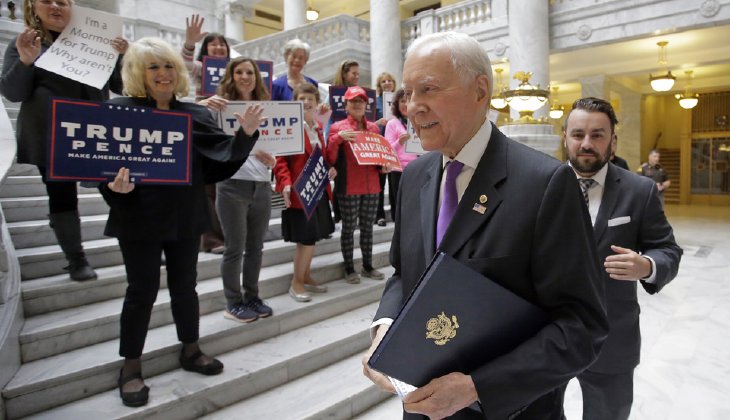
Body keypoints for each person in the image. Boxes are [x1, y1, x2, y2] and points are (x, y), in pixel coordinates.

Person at [361, 32, 608, 420]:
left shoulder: (545, 184)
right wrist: (385, 327)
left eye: (428, 89)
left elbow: (582, 327)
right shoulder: (414, 177)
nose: (412, 107)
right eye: (408, 93)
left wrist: (478, 387)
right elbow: (404, 273)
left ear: (480, 91)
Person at [99, 37, 261, 407]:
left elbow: (219, 163)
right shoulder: (118, 110)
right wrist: (113, 187)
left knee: (185, 287)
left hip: (184, 215)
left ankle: (191, 349)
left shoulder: (195, 114)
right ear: (137, 73)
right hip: (137, 216)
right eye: (153, 67)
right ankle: (131, 367)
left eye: (169, 65)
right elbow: (100, 164)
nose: (163, 73)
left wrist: (246, 135)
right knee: (140, 291)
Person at [562, 97, 682, 420]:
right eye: (578, 134)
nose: (586, 144)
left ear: (613, 141)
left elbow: (667, 249)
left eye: (597, 135)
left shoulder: (639, 191)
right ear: (565, 138)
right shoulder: (540, 185)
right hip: (547, 336)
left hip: (612, 337)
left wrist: (647, 266)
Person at [0, 0, 128, 281]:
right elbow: (13, 93)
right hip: (50, 134)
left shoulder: (98, 43)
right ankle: (76, 259)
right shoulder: (26, 44)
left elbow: (121, 86)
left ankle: (140, 242)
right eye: (47, 1)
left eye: (63, 2)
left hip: (95, 131)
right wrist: (25, 61)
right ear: (33, 7)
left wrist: (120, 57)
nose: (55, 6)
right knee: (61, 195)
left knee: (117, 189)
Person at [213, 57, 275, 323]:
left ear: (256, 77)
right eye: (239, 72)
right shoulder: (220, 108)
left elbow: (277, 145)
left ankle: (252, 297)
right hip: (231, 185)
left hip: (261, 184)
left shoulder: (267, 108)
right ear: (231, 76)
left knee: (256, 248)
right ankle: (233, 302)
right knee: (234, 248)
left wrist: (273, 160)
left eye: (250, 72)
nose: (245, 77)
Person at [274, 82, 336, 302]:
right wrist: (285, 183)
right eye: (302, 98)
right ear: (295, 102)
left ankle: (306, 275)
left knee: (313, 237)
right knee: (306, 239)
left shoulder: (318, 128)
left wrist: (330, 169)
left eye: (311, 98)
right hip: (299, 193)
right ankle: (296, 282)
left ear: (317, 103)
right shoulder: (290, 127)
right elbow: (280, 160)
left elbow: (321, 158)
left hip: (318, 191)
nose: (307, 102)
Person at [326, 86, 388, 284]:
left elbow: (379, 156)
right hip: (349, 186)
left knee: (368, 228)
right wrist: (338, 138)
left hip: (372, 186)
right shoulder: (338, 128)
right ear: (346, 105)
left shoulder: (374, 129)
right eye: (353, 101)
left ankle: (368, 266)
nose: (358, 104)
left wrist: (384, 165)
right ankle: (349, 268)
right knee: (348, 228)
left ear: (366, 104)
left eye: (361, 101)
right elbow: (330, 158)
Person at [182, 14, 231, 254]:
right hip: (205, 127)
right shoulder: (201, 68)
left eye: (222, 44)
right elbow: (185, 65)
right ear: (206, 49)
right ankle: (212, 239)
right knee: (208, 187)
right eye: (213, 44)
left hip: (229, 128)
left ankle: (232, 234)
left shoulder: (235, 70)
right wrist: (189, 43)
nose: (218, 47)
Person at [329, 60, 361, 224]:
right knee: (340, 180)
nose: (357, 76)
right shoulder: (332, 95)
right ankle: (339, 214)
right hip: (339, 141)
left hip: (356, 142)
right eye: (354, 73)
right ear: (344, 74)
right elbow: (325, 122)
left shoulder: (362, 94)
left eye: (358, 73)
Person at [383, 88, 417, 224]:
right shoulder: (392, 123)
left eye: (408, 100)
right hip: (398, 171)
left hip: (416, 169)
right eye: (402, 101)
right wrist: (399, 142)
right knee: (399, 207)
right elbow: (388, 150)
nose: (405, 104)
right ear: (397, 104)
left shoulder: (418, 122)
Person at [374, 71, 397, 227]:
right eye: (384, 81)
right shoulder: (375, 102)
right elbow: (368, 124)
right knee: (380, 182)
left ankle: (396, 214)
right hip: (380, 145)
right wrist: (378, 122)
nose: (387, 83)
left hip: (396, 146)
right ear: (379, 85)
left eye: (390, 80)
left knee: (395, 182)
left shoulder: (400, 100)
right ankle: (379, 215)